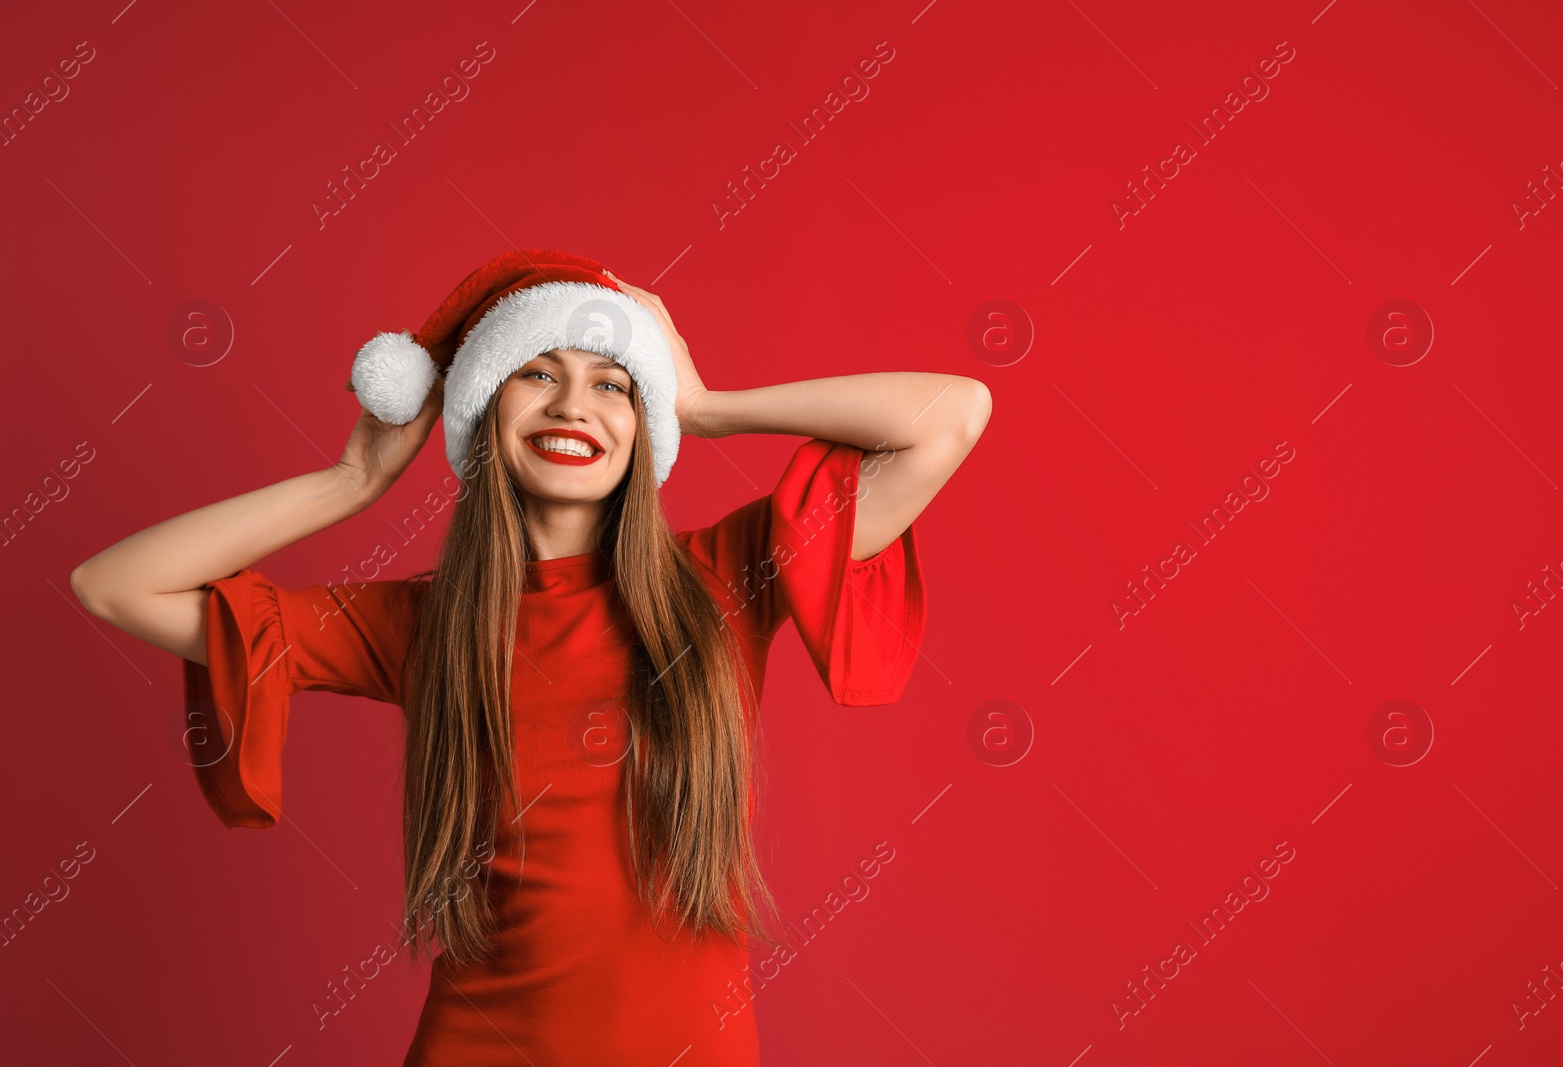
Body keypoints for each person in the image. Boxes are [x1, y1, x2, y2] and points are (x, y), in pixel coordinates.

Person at [70, 249, 990, 1065]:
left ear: (643, 424)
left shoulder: (725, 577)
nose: (572, 406)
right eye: (537, 373)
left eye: (611, 383)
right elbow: (115, 584)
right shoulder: (424, 623)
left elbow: (953, 412)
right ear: (482, 409)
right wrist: (351, 481)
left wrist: (706, 407)